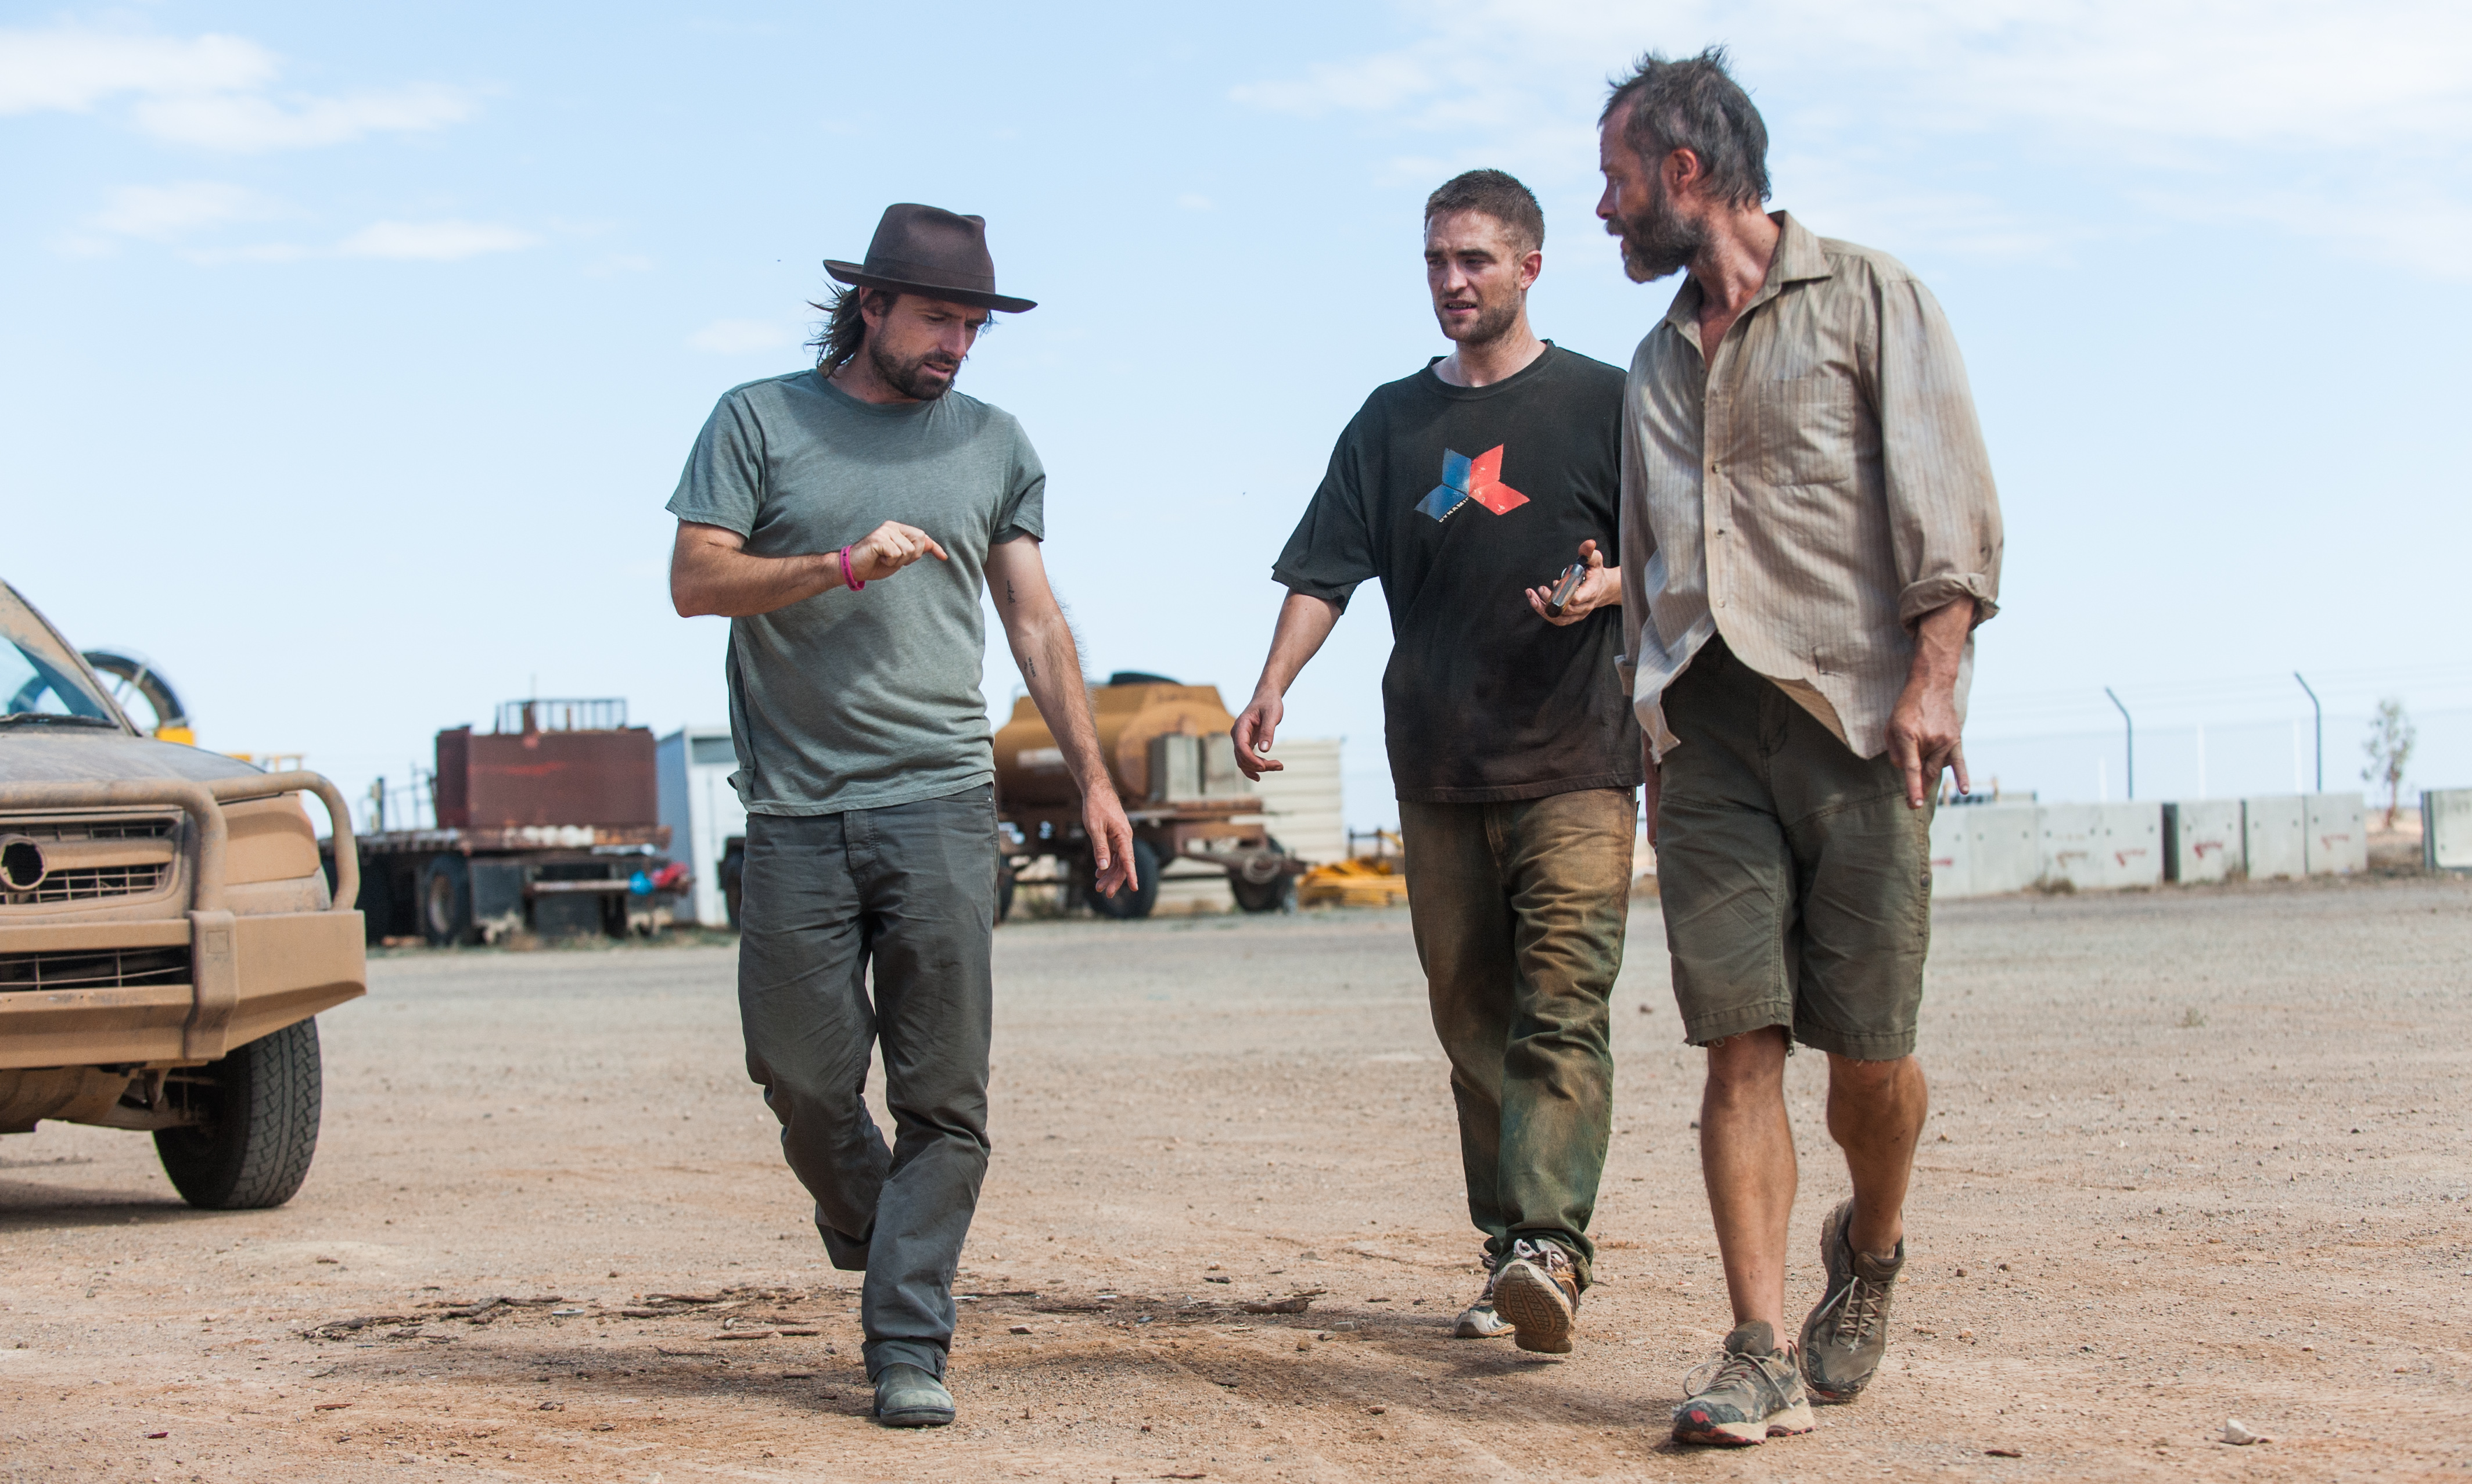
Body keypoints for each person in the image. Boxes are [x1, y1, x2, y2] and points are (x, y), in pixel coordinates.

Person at [665, 203, 1135, 1430]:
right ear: (869, 304)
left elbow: (1034, 620)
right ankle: (882, 1232)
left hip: (939, 797)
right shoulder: (757, 420)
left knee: (946, 1099)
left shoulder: (993, 441)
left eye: (974, 324)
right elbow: (694, 579)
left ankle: (907, 1342)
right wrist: (837, 566)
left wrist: (1089, 774)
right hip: (795, 807)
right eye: (938, 317)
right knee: (801, 1075)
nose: (957, 345)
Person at [1595, 51, 2004, 1446]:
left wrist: (1935, 679)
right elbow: (1650, 565)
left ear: (1685, 174)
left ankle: (1872, 1244)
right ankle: (1758, 1346)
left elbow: (1950, 507)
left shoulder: (1871, 299)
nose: (1604, 209)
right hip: (1704, 734)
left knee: (1871, 1064)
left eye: (1615, 179)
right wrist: (1644, 735)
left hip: (1855, 724)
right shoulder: (1653, 363)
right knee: (1736, 1047)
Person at [1233, 170, 1640, 1355]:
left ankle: (1551, 1246)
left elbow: (1688, 554)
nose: (1452, 282)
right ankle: (1506, 1244)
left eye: (1474, 259)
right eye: (1435, 261)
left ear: (1530, 266)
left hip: (1576, 764)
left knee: (1560, 1009)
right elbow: (1324, 573)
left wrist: (1608, 583)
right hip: (1438, 768)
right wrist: (1272, 684)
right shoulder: (1390, 422)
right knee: (1472, 1021)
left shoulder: (1605, 404)